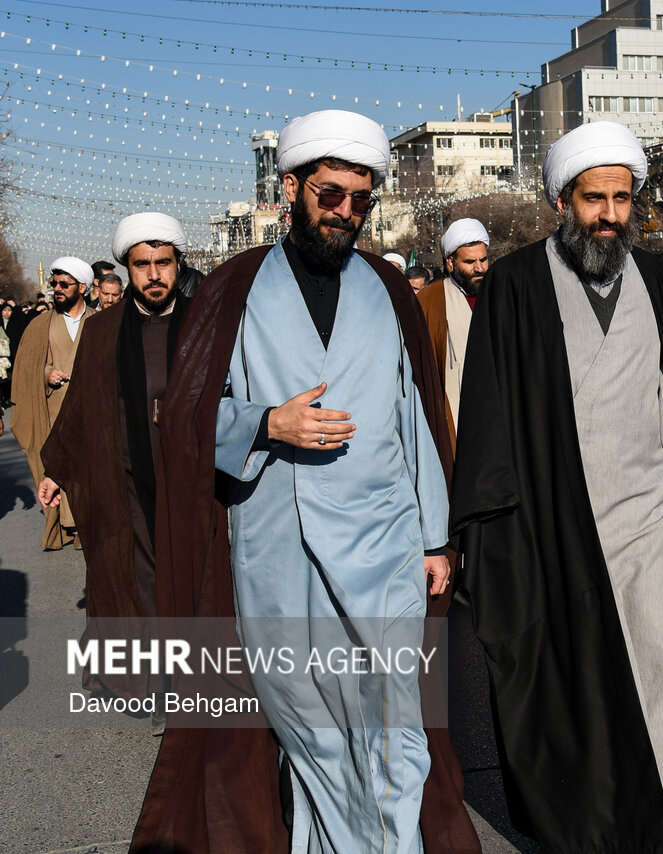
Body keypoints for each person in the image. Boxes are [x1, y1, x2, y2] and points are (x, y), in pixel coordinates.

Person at [131, 109, 479, 854]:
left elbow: (417, 414)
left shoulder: (388, 288)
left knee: (395, 734)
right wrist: (265, 424)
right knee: (313, 736)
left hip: (385, 543)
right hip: (278, 551)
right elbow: (187, 416)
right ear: (290, 188)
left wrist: (436, 539)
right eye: (330, 194)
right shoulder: (233, 287)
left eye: (361, 199)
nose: (345, 211)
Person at [449, 120, 663, 850]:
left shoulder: (655, 277)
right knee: (580, 682)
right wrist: (494, 529)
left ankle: (641, 806)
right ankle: (594, 814)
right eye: (595, 199)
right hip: (559, 523)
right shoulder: (515, 283)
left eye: (622, 199)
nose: (610, 215)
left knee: (658, 664)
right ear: (561, 200)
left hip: (651, 515)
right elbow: (491, 414)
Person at [37, 214, 191, 719]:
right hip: (126, 482)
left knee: (194, 579)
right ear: (128, 268)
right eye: (142, 264)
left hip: (196, 481)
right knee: (139, 579)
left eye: (163, 262)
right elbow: (82, 404)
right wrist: (57, 470)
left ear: (178, 263)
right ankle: (156, 684)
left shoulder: (203, 321)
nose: (154, 274)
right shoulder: (104, 330)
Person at [11, 256, 96, 549]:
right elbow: (28, 367)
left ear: (82, 288)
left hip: (91, 410)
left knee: (88, 464)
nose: (57, 289)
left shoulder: (99, 321)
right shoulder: (41, 325)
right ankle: (70, 523)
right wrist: (46, 373)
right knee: (60, 462)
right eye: (54, 283)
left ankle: (87, 521)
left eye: (64, 284)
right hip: (54, 408)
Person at [417, 217, 489, 443]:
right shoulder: (429, 301)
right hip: (454, 416)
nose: (479, 268)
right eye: (470, 261)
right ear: (450, 262)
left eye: (483, 259)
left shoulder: (500, 292)